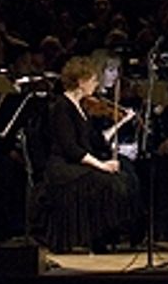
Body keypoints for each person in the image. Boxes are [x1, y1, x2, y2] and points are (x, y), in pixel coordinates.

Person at [42, 54, 140, 253]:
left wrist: (120, 123)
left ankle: (109, 235)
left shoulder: (82, 107)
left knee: (124, 177)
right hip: (63, 168)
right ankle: (97, 238)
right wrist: (101, 165)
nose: (97, 84)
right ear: (81, 82)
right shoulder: (62, 107)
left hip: (78, 164)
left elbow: (96, 140)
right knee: (109, 182)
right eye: (94, 80)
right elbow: (71, 149)